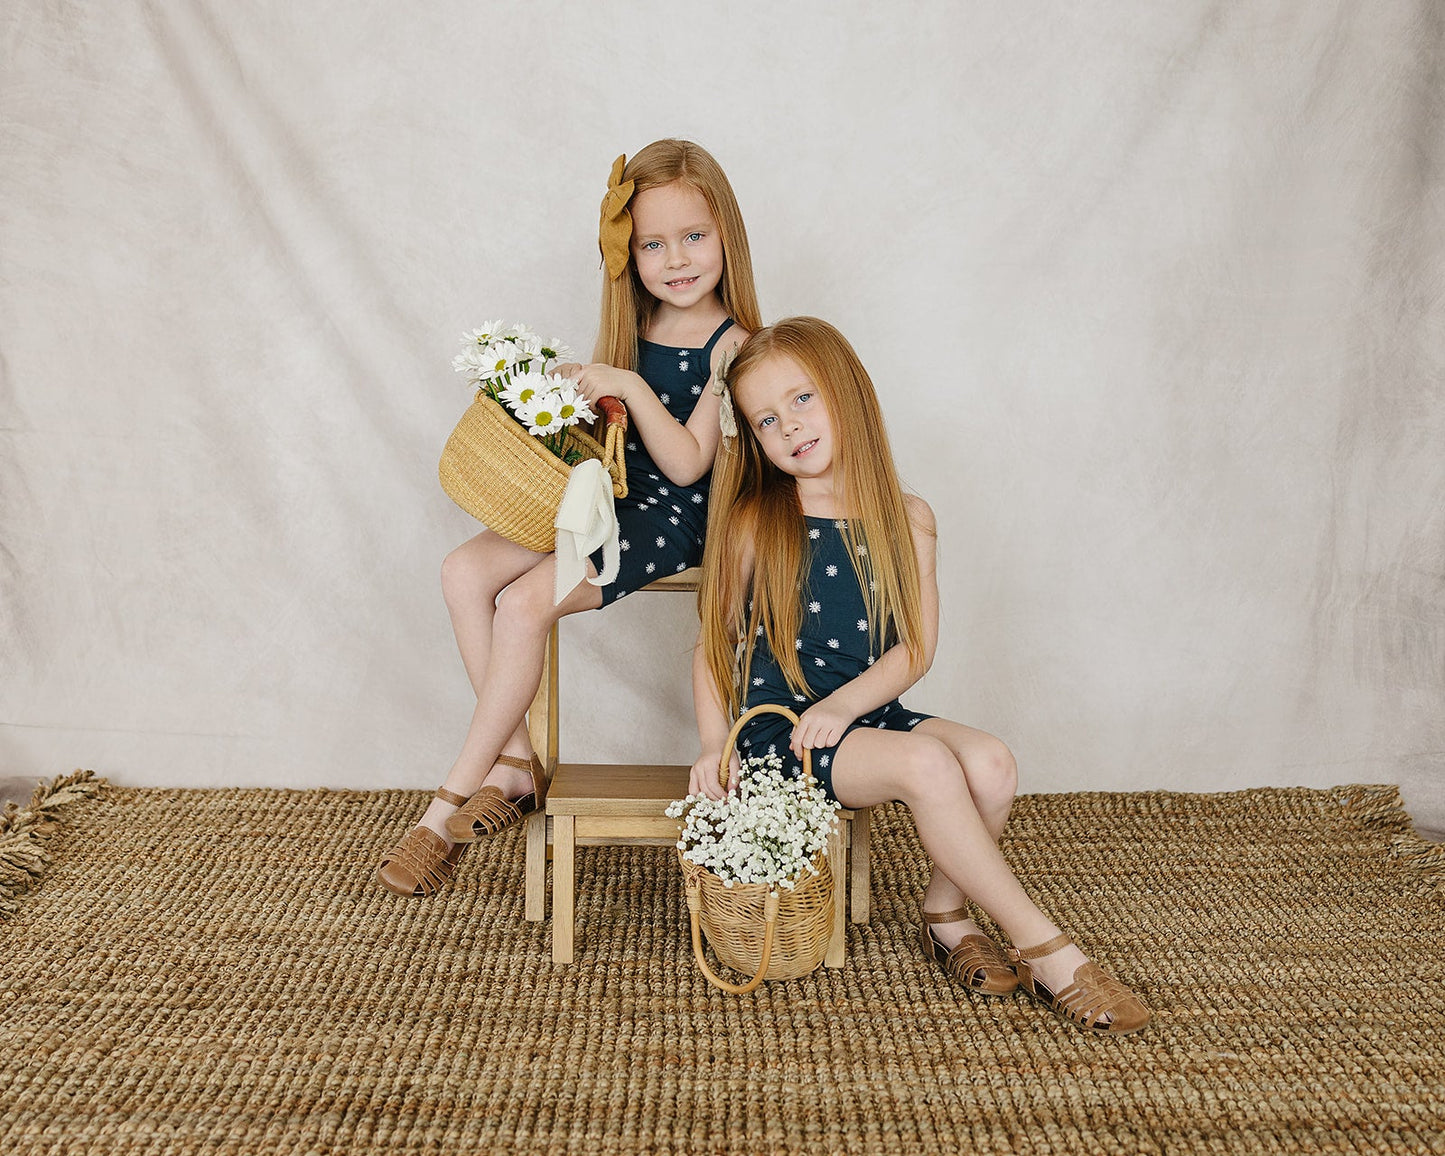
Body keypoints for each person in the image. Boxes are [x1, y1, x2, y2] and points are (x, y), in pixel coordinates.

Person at [689, 317, 1150, 1034]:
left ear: (848, 394)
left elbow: (914, 651)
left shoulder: (909, 518)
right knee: (931, 768)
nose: (789, 427)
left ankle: (945, 914)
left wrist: (844, 709)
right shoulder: (758, 520)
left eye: (803, 399)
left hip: (862, 716)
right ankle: (1049, 950)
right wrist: (711, 746)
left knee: (991, 763)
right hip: (781, 733)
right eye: (766, 420)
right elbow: (711, 647)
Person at [378, 140, 759, 897]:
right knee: (462, 572)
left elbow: (686, 464)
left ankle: (446, 802)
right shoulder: (633, 327)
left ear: (727, 238)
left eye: (693, 237)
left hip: (675, 517)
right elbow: (611, 441)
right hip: (606, 499)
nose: (674, 259)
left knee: (523, 604)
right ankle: (515, 760)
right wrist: (565, 393)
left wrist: (626, 383)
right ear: (628, 256)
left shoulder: (735, 346)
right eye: (652, 243)